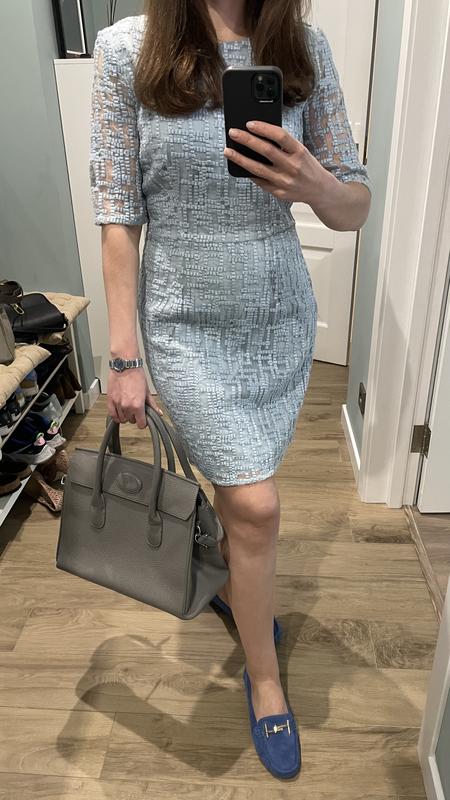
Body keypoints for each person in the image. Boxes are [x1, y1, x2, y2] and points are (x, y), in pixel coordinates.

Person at [89, 0, 371, 780]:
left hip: (277, 312)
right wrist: (123, 356)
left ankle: (229, 576)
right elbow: (118, 213)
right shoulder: (127, 50)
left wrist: (314, 183)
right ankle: (266, 678)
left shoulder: (302, 45)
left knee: (242, 493)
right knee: (257, 505)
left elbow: (355, 204)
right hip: (183, 318)